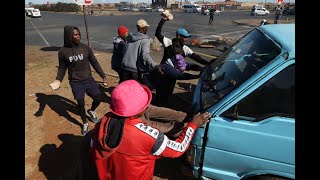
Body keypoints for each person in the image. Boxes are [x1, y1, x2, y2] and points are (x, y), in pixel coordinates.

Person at [89, 80, 211, 180]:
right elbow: (178, 149)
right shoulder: (148, 136)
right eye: (145, 103)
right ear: (139, 109)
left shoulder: (102, 123)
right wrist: (193, 125)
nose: (147, 105)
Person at [49, 25, 108, 136]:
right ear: (69, 36)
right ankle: (84, 123)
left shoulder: (85, 48)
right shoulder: (63, 52)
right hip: (76, 82)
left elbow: (94, 62)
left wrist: (103, 76)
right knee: (80, 103)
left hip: (88, 79)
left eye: (79, 34)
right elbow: (62, 67)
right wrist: (58, 80)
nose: (78, 36)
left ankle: (91, 111)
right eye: (75, 35)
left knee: (98, 97)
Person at [120, 19, 162, 83]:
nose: (147, 29)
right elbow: (145, 56)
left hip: (124, 67)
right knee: (135, 90)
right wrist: (155, 66)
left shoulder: (130, 37)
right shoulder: (145, 40)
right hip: (134, 70)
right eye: (146, 27)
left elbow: (124, 50)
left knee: (125, 88)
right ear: (144, 28)